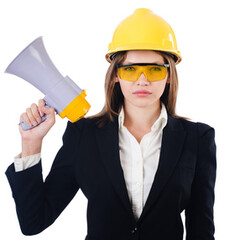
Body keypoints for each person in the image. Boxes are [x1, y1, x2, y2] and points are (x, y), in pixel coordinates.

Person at [6, 8, 215, 239]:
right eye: (131, 69)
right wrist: (31, 143)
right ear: (116, 75)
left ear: (169, 75)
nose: (142, 80)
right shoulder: (83, 135)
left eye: (155, 69)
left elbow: (201, 230)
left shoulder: (198, 138)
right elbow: (34, 221)